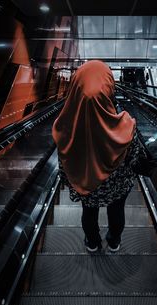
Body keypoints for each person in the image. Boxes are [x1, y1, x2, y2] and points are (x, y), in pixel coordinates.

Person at [52, 60, 142, 253]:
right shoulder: (126, 126)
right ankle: (113, 241)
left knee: (89, 213)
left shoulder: (65, 127)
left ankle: (92, 242)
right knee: (117, 211)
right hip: (117, 184)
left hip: (86, 185)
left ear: (76, 87)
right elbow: (134, 158)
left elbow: (63, 161)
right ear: (109, 87)